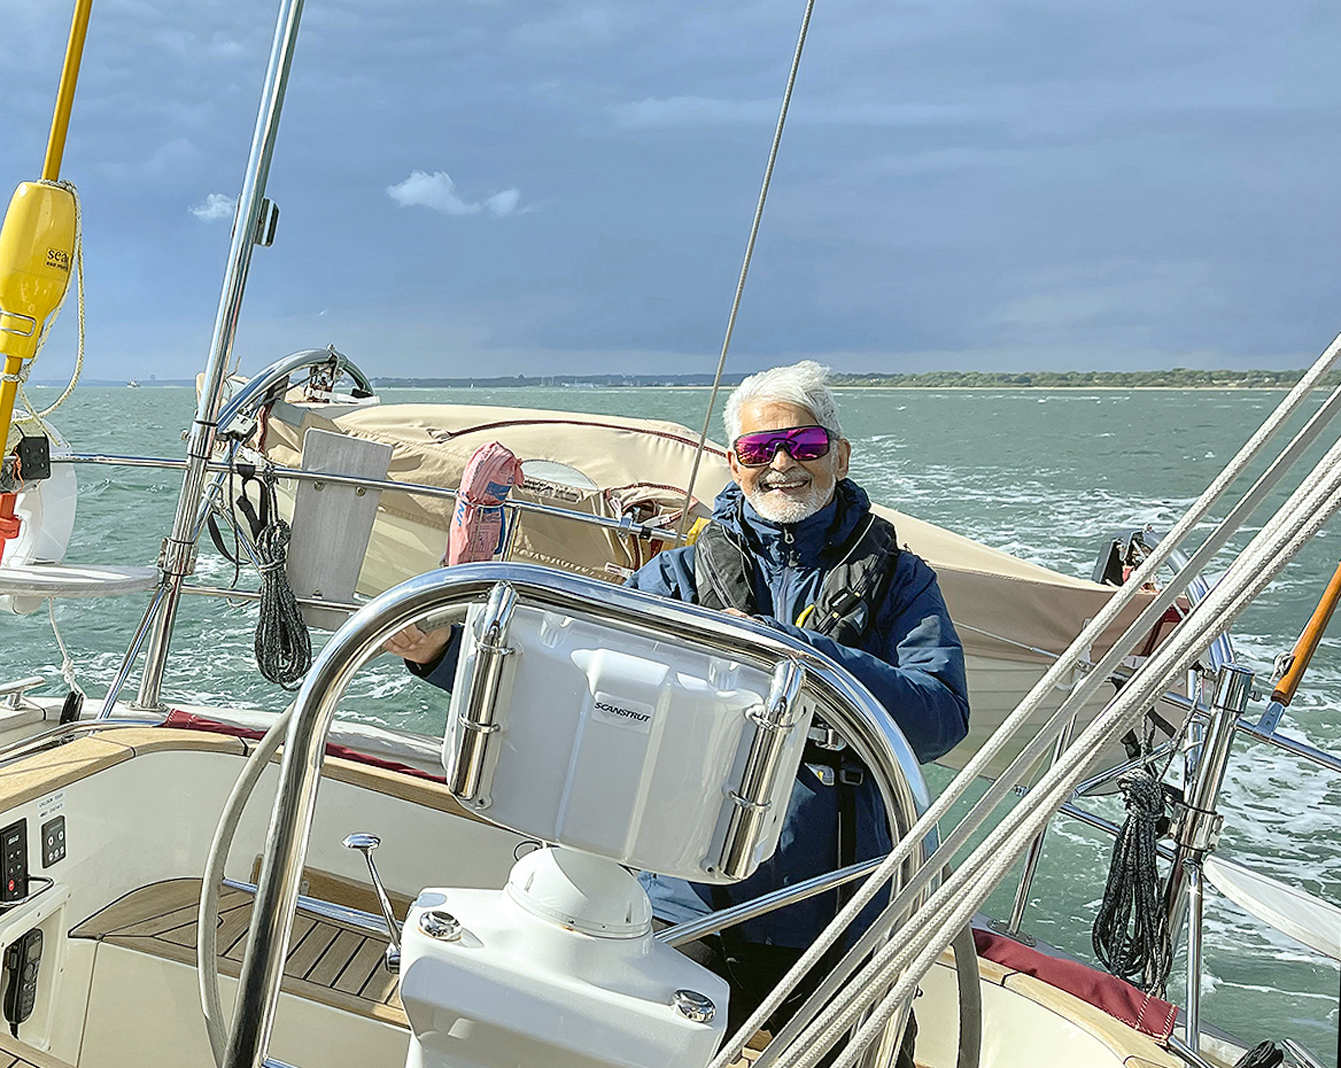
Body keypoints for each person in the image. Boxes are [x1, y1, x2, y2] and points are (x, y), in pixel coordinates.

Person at [386, 360, 968, 1037]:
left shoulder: (902, 581)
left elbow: (940, 713)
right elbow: (572, 676)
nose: (782, 463)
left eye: (804, 445)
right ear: (733, 462)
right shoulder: (677, 577)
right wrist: (440, 652)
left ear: (839, 454)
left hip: (840, 910)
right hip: (688, 902)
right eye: (758, 449)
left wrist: (798, 657)